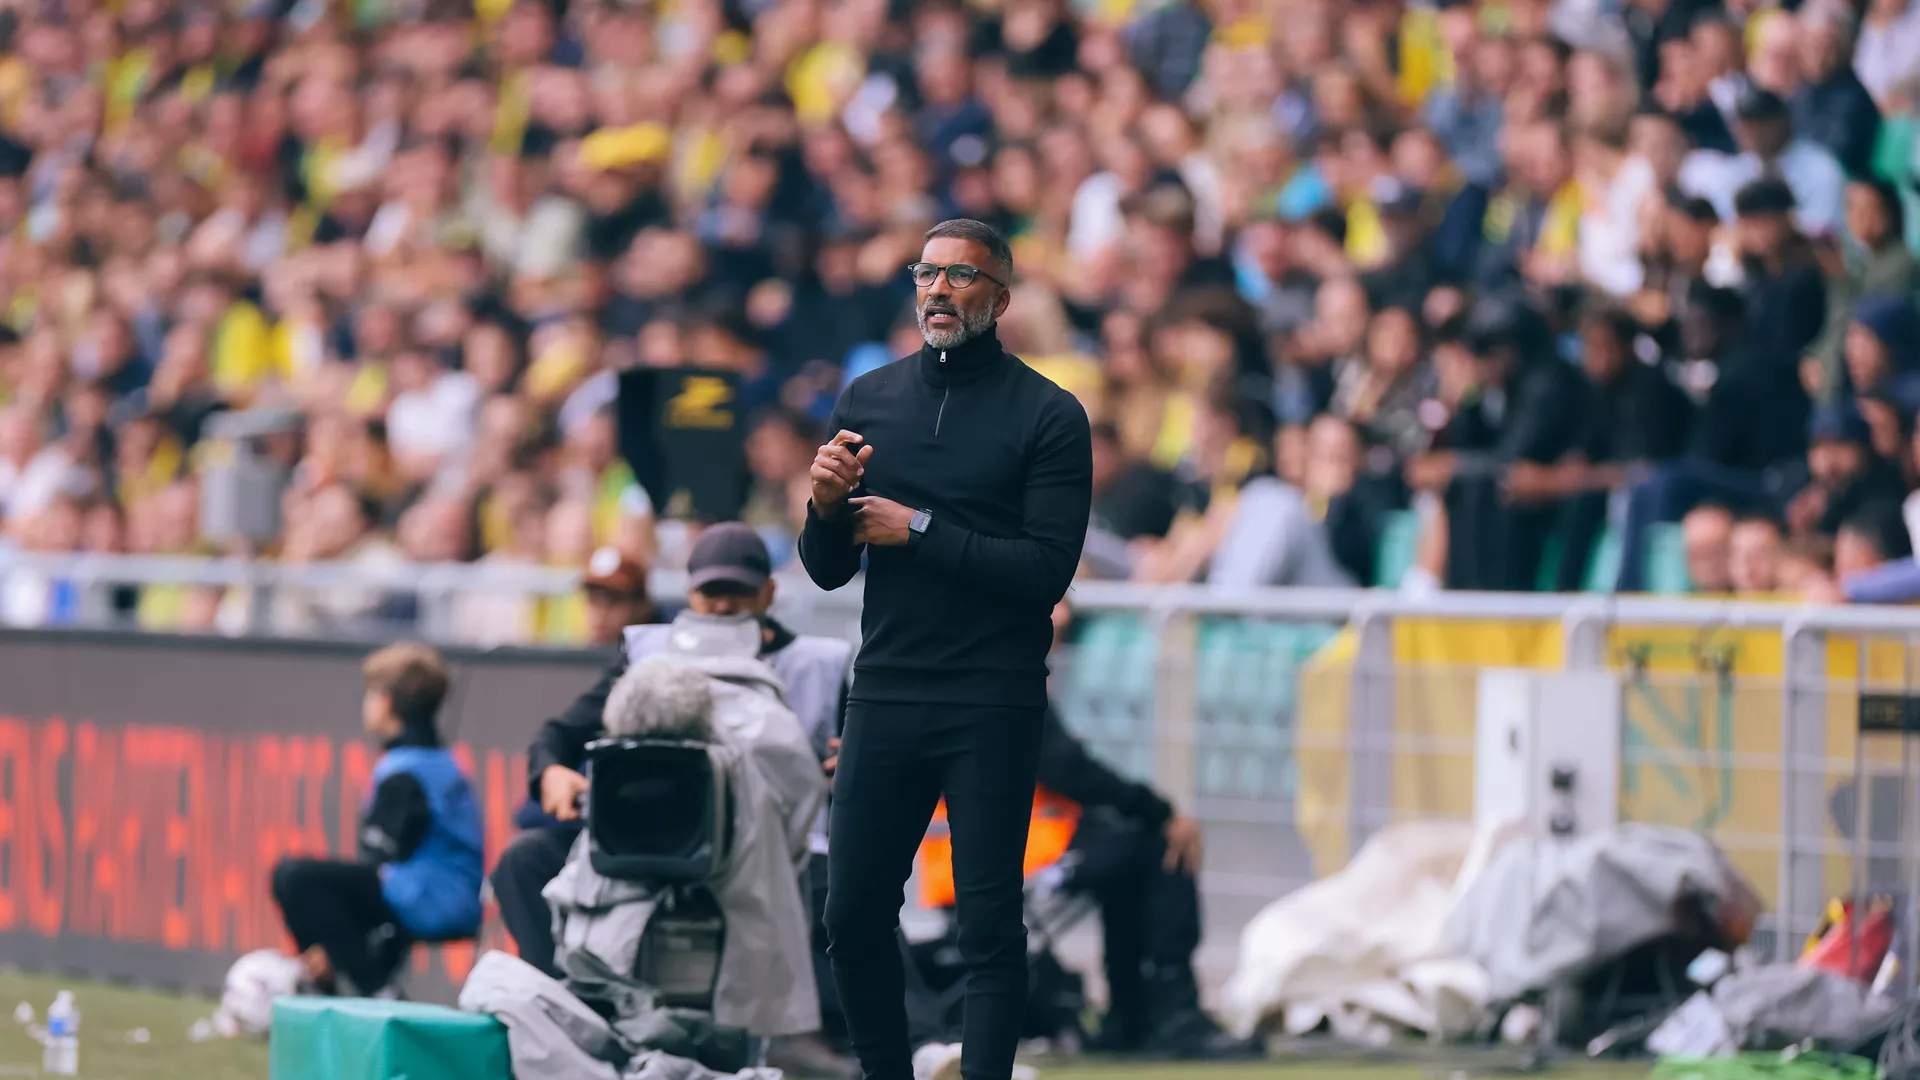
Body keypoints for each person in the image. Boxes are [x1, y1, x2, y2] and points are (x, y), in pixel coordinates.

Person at [798, 218, 1093, 1080]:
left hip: (992, 697)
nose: (937, 289)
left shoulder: (1049, 414)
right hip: (886, 690)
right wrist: (823, 508)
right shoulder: (869, 398)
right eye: (926, 273)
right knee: (851, 915)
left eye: (961, 276)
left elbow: (1044, 571)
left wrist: (918, 529)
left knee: (988, 927)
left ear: (999, 299)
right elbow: (826, 570)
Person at [494, 522, 857, 1078]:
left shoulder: (819, 663)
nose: (724, 606)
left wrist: (853, 759)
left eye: (738, 592)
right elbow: (559, 735)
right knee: (524, 859)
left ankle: (903, 1041)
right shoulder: (646, 651)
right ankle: (572, 1013)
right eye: (712, 592)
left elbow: (856, 753)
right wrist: (554, 773)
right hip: (642, 841)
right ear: (689, 594)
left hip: (774, 850)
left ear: (768, 594)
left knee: (848, 887)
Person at [271, 643, 483, 997]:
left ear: (386, 703)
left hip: (429, 900)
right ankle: (351, 987)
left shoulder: (405, 773)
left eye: (370, 694)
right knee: (318, 883)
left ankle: (374, 992)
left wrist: (332, 944)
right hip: (441, 896)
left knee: (294, 877)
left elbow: (381, 864)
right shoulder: (435, 762)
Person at [581, 545, 661, 647]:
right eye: (593, 600)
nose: (601, 614)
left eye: (614, 600)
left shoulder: (659, 654)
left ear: (641, 608)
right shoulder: (577, 655)